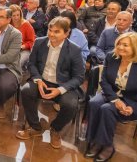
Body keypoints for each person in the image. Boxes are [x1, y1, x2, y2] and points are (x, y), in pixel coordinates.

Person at [16, 17, 85, 149]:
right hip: (41, 81)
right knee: (25, 91)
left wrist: (61, 89)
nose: (51, 34)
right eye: (50, 30)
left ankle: (55, 129)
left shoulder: (74, 50)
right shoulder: (40, 42)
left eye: (57, 31)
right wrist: (38, 79)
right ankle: (35, 127)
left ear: (66, 33)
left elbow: (79, 77)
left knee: (71, 105)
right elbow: (32, 64)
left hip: (63, 85)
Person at [85, 32, 137, 161]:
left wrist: (133, 107)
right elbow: (104, 80)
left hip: (134, 101)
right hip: (111, 93)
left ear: (136, 47)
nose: (120, 47)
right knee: (94, 103)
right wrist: (115, 99)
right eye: (119, 44)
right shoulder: (112, 56)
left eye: (125, 45)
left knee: (107, 109)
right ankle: (94, 140)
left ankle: (107, 145)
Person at [9, 4, 35, 70]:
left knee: (17, 63)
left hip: (24, 49)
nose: (16, 17)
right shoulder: (8, 24)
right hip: (10, 48)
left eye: (18, 15)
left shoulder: (26, 24)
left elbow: (32, 42)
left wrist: (22, 46)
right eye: (13, 15)